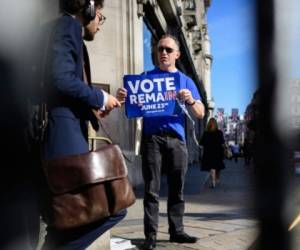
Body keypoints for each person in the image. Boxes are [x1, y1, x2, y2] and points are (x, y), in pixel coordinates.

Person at [41, 0, 126, 249]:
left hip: (64, 132)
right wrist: (100, 96)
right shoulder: (68, 26)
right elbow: (61, 79)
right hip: (62, 138)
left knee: (63, 221)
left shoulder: (61, 28)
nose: (100, 23)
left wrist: (96, 108)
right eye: (100, 15)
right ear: (88, 8)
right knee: (111, 208)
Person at [117, 34, 205, 250]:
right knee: (151, 190)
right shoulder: (145, 77)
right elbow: (130, 104)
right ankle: (151, 236)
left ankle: (177, 231)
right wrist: (122, 97)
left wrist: (191, 100)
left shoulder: (186, 81)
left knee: (177, 189)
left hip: (177, 140)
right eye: (159, 49)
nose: (163, 53)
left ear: (177, 54)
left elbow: (201, 113)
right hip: (152, 139)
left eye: (167, 49)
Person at [200, 117, 225, 188]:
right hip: (218, 152)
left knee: (211, 167)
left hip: (208, 153)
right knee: (218, 167)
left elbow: (201, 143)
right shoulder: (219, 132)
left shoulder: (206, 133)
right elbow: (222, 142)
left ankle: (213, 181)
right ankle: (217, 179)